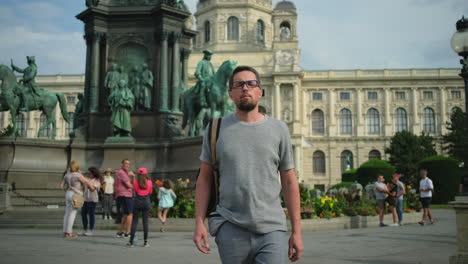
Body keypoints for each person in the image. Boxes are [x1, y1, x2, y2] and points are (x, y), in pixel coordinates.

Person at [193, 66, 303, 263]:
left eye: (251, 84)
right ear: (231, 94)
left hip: (272, 228)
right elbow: (204, 179)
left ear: (260, 92)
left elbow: (289, 181)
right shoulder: (215, 128)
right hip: (230, 226)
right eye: (239, 84)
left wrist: (297, 231)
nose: (245, 88)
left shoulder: (279, 129)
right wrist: (199, 223)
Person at [61, 160, 90, 238]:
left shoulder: (67, 175)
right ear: (77, 167)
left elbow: (61, 186)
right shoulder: (78, 175)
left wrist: (69, 188)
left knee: (67, 213)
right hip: (76, 195)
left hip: (68, 193)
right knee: (72, 214)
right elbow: (86, 181)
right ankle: (69, 233)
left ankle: (65, 232)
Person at [127, 167, 153, 247]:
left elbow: (134, 190)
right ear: (146, 174)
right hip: (146, 201)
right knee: (145, 222)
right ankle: (145, 242)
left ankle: (131, 242)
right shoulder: (149, 182)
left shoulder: (135, 182)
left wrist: (133, 177)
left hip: (137, 201)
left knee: (135, 221)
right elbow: (150, 192)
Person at [114, 159, 135, 237]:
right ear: (122, 164)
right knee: (130, 214)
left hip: (125, 195)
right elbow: (129, 185)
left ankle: (120, 232)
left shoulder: (125, 173)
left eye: (128, 164)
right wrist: (134, 187)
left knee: (126, 214)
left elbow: (131, 183)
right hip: (125, 195)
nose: (127, 165)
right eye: (126, 163)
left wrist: (133, 177)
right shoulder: (122, 172)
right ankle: (128, 232)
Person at [80, 167, 103, 236]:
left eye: (89, 172)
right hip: (85, 199)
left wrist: (87, 182)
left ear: (93, 173)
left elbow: (92, 188)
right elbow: (83, 188)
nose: (88, 174)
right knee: (83, 214)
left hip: (93, 200)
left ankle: (91, 230)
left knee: (91, 214)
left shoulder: (97, 181)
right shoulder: (87, 179)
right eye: (88, 172)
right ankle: (85, 229)